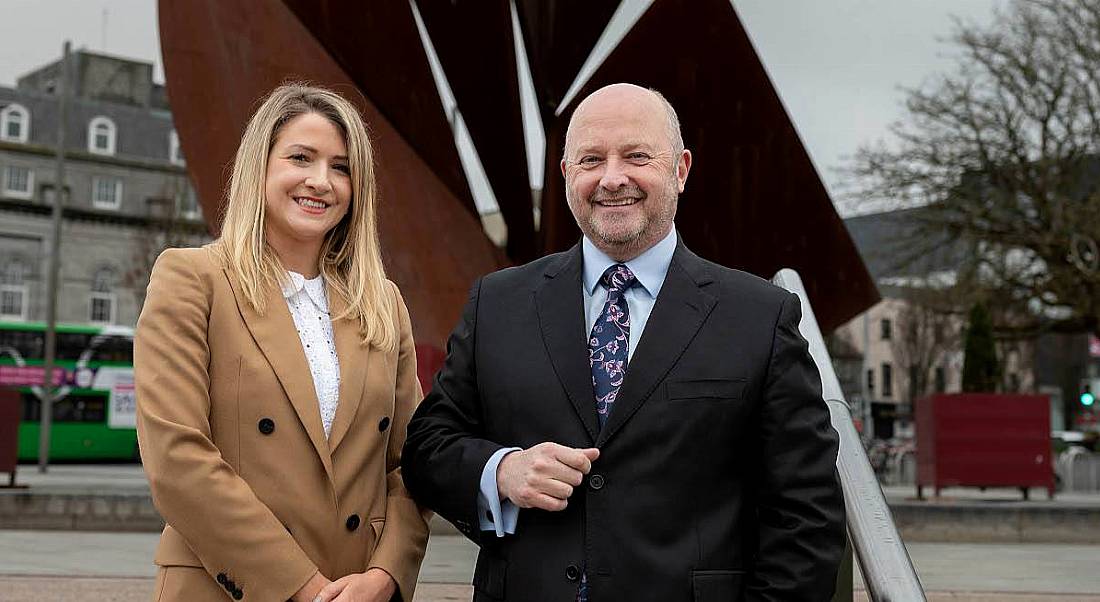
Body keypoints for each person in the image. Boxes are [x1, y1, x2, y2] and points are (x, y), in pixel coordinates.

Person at [402, 83, 845, 601]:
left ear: (680, 169)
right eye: (591, 160)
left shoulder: (759, 317)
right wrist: (500, 470)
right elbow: (427, 447)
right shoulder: (498, 303)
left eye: (636, 156)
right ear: (567, 176)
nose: (612, 179)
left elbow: (806, 516)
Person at [136, 83, 428, 602]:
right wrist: (303, 588)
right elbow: (177, 459)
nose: (321, 181)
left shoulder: (383, 302)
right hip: (226, 587)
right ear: (261, 167)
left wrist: (387, 575)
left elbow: (411, 464)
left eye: (341, 167)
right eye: (301, 158)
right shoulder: (192, 279)